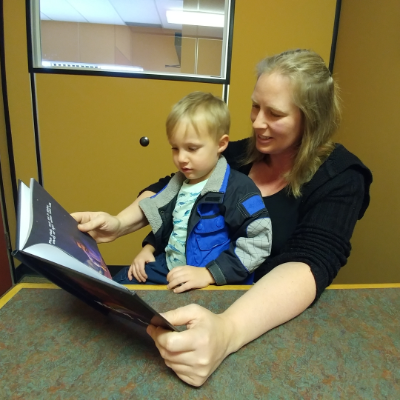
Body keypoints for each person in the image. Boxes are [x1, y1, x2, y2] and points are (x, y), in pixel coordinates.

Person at [72, 49, 372, 387]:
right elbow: (167, 189)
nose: (258, 122)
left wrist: (227, 332)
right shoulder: (239, 153)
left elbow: (312, 261)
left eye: (274, 113)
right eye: (256, 106)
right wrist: (118, 224)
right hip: (189, 294)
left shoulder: (342, 177)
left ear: (311, 119)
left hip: (258, 322)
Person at [108, 91, 270, 292]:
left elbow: (258, 242)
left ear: (221, 144)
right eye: (175, 148)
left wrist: (209, 274)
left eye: (192, 149)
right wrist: (148, 248)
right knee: (117, 286)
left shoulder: (238, 188)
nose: (181, 158)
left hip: (212, 279)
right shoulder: (180, 182)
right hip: (169, 268)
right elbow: (174, 224)